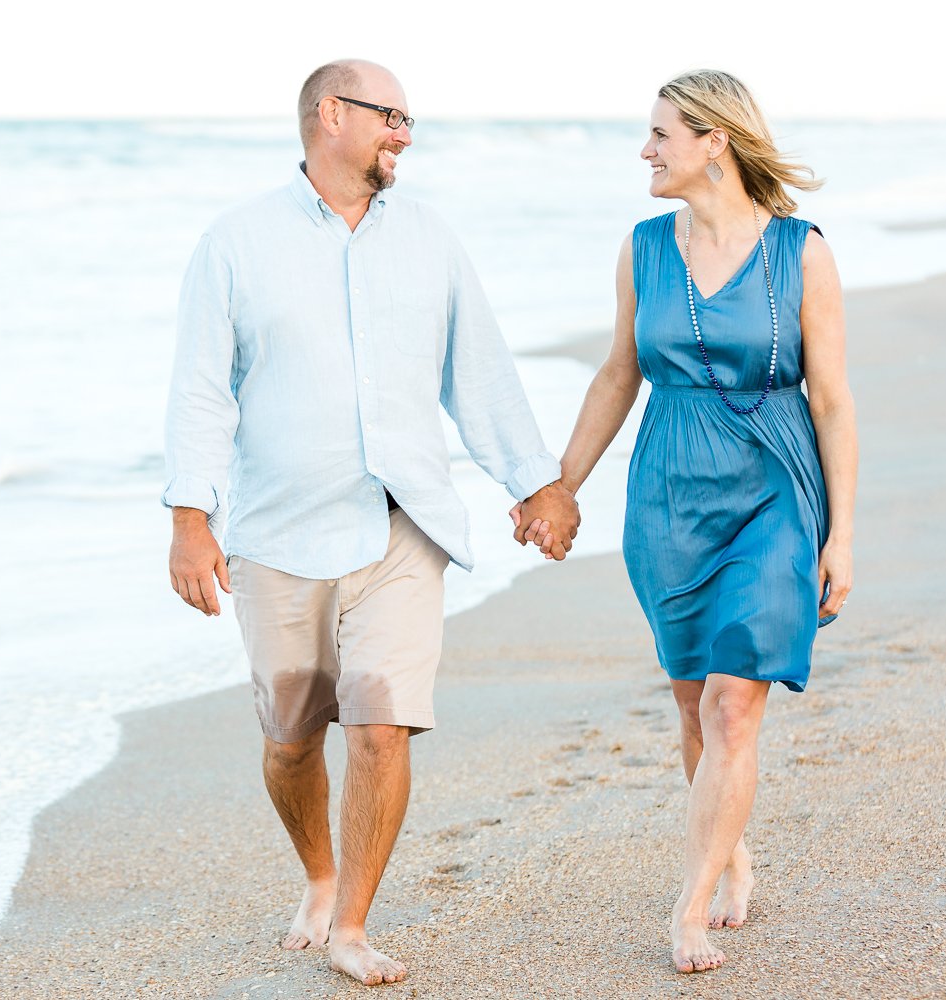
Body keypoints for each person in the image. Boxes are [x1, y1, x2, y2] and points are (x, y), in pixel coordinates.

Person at [162, 59, 580, 987]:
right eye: (390, 115)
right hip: (278, 533)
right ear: (328, 115)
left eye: (408, 117)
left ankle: (351, 924)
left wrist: (536, 483)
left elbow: (479, 369)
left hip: (404, 523)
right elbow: (199, 392)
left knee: (382, 727)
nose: (404, 133)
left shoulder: (429, 239)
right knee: (290, 741)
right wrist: (192, 517)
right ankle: (318, 872)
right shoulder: (236, 243)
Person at [517, 69, 858, 973]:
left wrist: (843, 534)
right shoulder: (644, 247)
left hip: (776, 490)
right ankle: (731, 849)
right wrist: (561, 485)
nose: (646, 151)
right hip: (669, 493)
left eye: (661, 133)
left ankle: (691, 907)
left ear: (715, 140)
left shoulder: (802, 251)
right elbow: (617, 374)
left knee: (734, 703)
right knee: (693, 706)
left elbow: (831, 400)